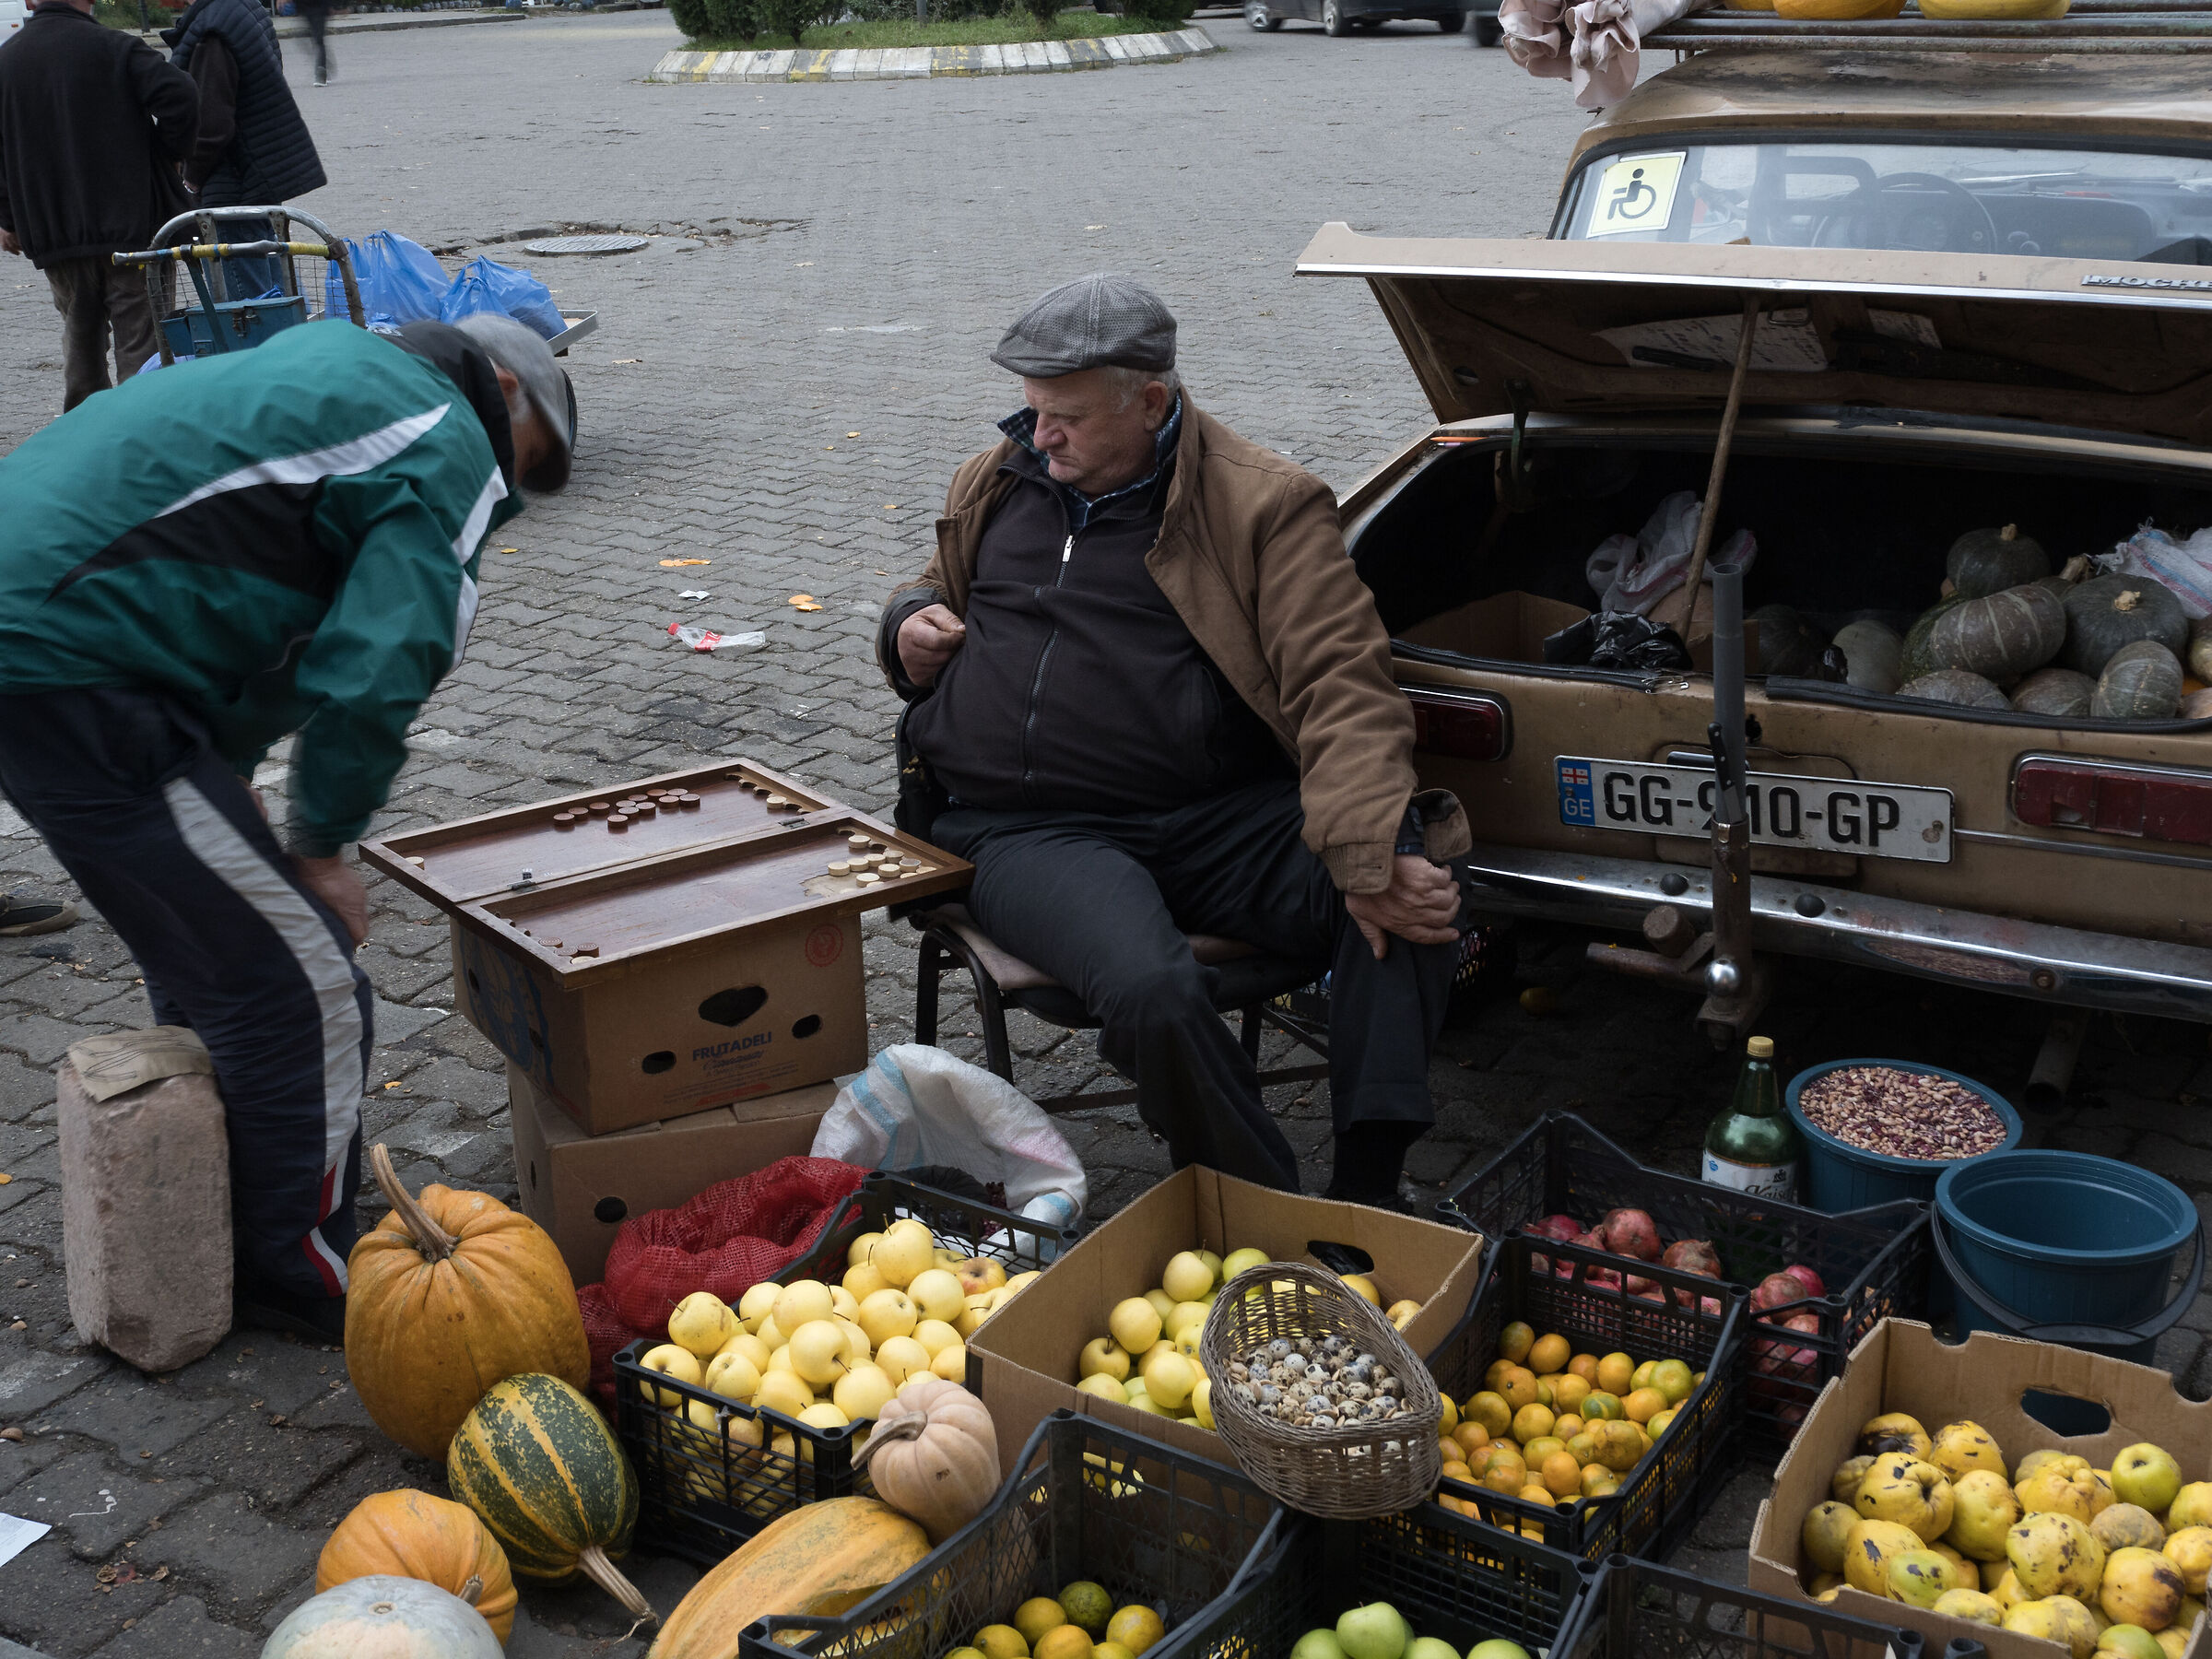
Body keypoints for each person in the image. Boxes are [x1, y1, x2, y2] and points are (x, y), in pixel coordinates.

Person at [0, 312, 575, 1340]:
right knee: (303, 989)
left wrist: (229, 778)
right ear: (502, 388)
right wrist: (322, 847)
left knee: (220, 950)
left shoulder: (333, 365)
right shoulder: (442, 432)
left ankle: (213, 1208)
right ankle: (295, 1273)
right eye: (526, 464)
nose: (510, 497)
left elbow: (226, 572)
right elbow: (379, 663)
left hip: (56, 643)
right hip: (75, 667)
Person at [878, 274, 1470, 1207]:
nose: (1041, 437)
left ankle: (1370, 1193)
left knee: (1409, 895)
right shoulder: (994, 483)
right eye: (1034, 412)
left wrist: (1365, 858)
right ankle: (1255, 1204)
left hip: (1211, 816)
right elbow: (931, 589)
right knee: (1151, 987)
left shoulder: (1264, 507)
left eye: (1066, 416)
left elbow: (1344, 687)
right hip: (1028, 829)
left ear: (1150, 402)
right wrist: (908, 624)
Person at [0, 0, 198, 408]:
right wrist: (167, 153)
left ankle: (85, 435)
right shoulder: (116, 47)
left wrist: (8, 217)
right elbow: (182, 94)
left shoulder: (7, 60)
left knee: (80, 339)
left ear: (31, 3)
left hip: (54, 230)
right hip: (132, 226)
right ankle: (142, 430)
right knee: (142, 343)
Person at [166, 0, 324, 299]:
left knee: (248, 305)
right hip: (259, 176)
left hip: (233, 187)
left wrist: (191, 178)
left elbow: (212, 125)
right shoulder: (245, 10)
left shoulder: (212, 30)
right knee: (275, 293)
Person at [298, 0, 333, 87]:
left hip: (319, 7)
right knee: (311, 39)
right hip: (304, 7)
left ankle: (321, 70)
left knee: (318, 39)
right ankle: (324, 65)